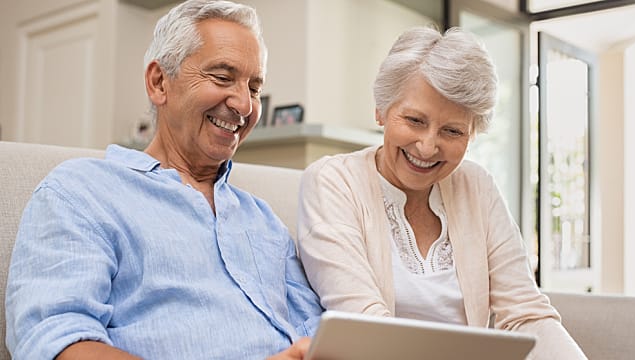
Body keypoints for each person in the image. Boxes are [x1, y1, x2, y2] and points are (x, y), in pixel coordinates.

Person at [5, 1, 322, 359]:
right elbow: (55, 341)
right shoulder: (81, 191)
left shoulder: (264, 221)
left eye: (253, 87)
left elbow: (318, 332)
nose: (245, 106)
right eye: (222, 77)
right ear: (159, 83)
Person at [297, 26, 586, 359]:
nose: (428, 146)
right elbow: (364, 326)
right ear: (381, 110)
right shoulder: (332, 181)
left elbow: (526, 314)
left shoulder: (477, 185)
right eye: (415, 120)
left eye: (452, 130)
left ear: (472, 133)